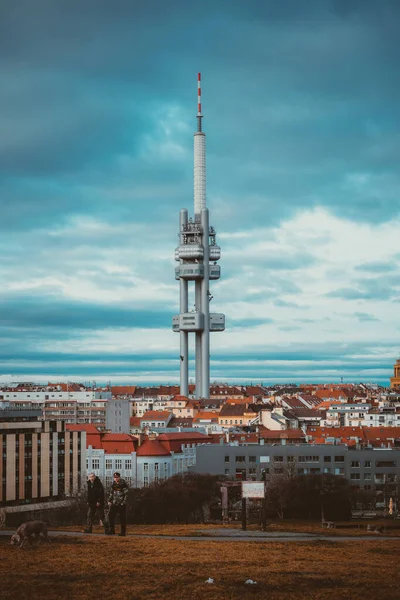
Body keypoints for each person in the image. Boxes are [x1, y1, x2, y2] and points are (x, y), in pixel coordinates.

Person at [106, 472, 129, 536]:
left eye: (117, 477)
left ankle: (123, 532)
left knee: (122, 518)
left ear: (119, 477)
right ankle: (111, 530)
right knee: (110, 516)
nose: (116, 479)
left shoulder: (123, 484)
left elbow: (126, 494)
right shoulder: (113, 484)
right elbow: (111, 493)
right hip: (114, 503)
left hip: (121, 504)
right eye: (114, 478)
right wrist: (109, 501)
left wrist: (123, 503)